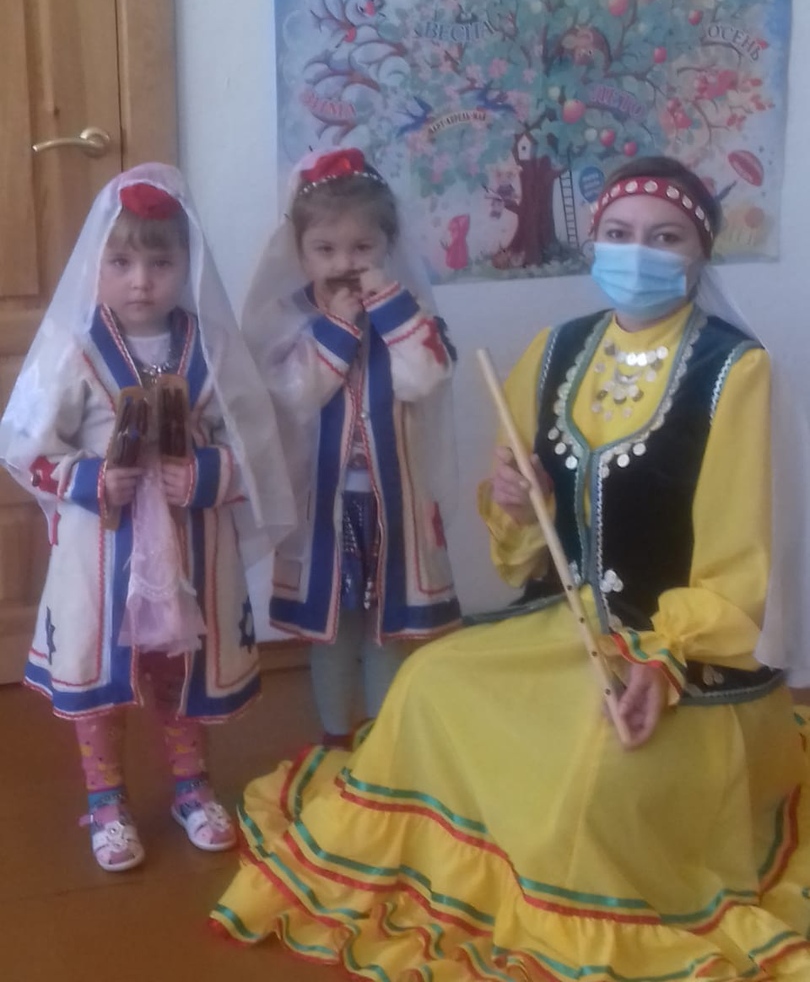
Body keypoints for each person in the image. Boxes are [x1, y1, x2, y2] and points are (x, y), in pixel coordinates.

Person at [211, 156, 810, 979]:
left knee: (595, 776)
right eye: (619, 233)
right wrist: (518, 505)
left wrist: (664, 661)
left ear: (701, 250)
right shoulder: (557, 351)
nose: (638, 253)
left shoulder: (735, 373)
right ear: (593, 241)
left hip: (677, 660)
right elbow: (523, 543)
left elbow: (744, 566)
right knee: (428, 683)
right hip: (563, 624)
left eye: (665, 237)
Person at [0, 164, 294, 873]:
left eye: (160, 264)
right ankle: (105, 799)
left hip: (192, 548)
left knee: (178, 668)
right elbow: (24, 444)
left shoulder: (213, 348)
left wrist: (208, 473)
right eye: (122, 263)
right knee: (102, 674)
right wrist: (91, 478)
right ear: (95, 266)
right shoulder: (73, 349)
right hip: (101, 550)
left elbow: (256, 444)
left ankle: (192, 786)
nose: (141, 281)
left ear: (187, 266)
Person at [241, 148, 461, 747]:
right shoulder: (288, 322)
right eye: (325, 249)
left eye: (362, 247)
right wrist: (336, 332)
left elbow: (424, 379)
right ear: (300, 252)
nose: (344, 263)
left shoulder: (409, 315)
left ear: (387, 245)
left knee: (387, 628)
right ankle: (337, 735)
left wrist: (389, 311)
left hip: (395, 505)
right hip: (324, 509)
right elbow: (293, 396)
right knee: (333, 630)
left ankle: (382, 742)